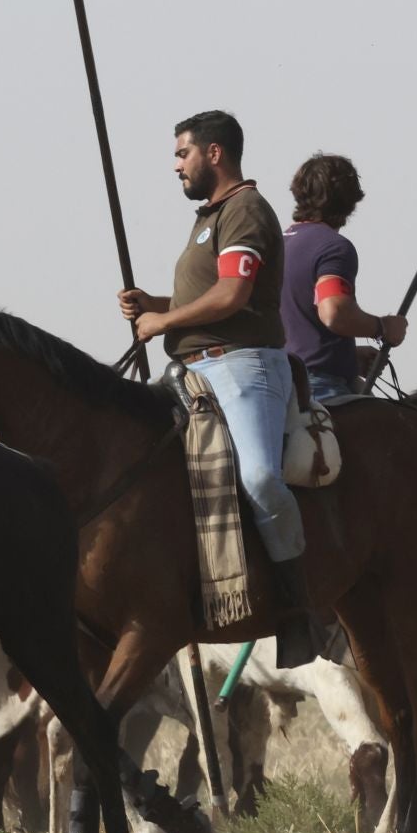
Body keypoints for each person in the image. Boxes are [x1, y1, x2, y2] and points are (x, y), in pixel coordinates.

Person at [117, 110, 315, 667]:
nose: (175, 164)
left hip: (244, 368)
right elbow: (206, 299)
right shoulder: (208, 218)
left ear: (214, 153)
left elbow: (231, 297)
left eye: (182, 153)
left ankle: (300, 606)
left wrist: (163, 322)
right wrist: (154, 305)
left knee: (259, 478)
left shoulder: (246, 210)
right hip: (194, 372)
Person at [281, 154, 408, 405]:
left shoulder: (276, 245)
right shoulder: (333, 248)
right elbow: (334, 313)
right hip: (319, 388)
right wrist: (383, 328)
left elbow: (297, 327)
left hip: (278, 384)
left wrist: (348, 357)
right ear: (351, 201)